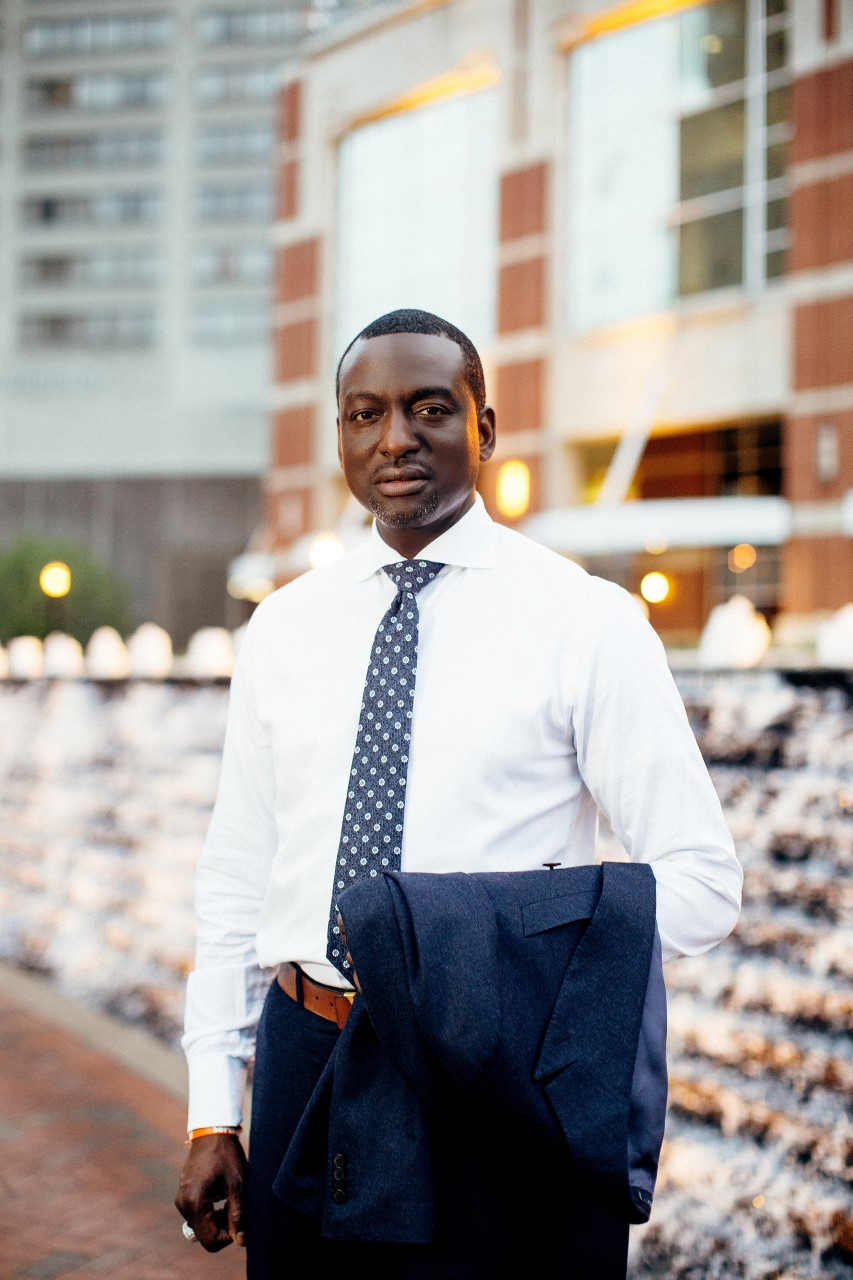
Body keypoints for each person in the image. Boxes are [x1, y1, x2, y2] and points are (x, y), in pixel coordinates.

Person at [176, 308, 742, 1277]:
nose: (394, 437)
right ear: (340, 438)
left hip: (496, 1073)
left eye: (428, 407)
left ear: (484, 428)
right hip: (309, 1050)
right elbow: (240, 873)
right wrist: (211, 1103)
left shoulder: (586, 622)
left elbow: (700, 882)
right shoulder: (281, 628)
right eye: (363, 414)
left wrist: (484, 944)